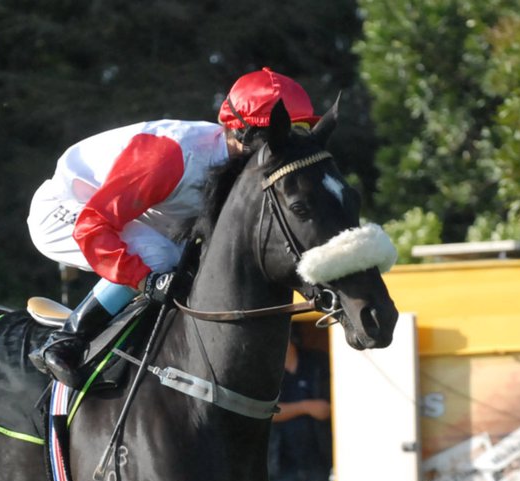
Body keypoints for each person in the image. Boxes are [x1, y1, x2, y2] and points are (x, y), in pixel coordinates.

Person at [26, 67, 321, 386]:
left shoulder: (240, 163)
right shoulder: (170, 156)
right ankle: (65, 340)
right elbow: (93, 227)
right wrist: (144, 281)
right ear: (243, 133)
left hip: (136, 214)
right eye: (278, 136)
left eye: (298, 135)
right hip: (70, 208)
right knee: (158, 256)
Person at [268, 337, 334, 481]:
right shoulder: (267, 368)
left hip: (317, 460)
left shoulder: (316, 363)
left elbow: (327, 407)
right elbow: (267, 411)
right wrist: (306, 407)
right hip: (280, 464)